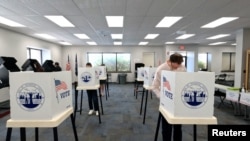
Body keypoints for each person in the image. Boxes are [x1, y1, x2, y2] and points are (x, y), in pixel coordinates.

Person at [152, 53, 186, 141]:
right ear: (170, 61)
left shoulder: (182, 68)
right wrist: (162, 97)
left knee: (178, 126)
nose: (178, 66)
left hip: (178, 101)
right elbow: (155, 87)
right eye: (177, 64)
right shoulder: (161, 69)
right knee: (166, 127)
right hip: (166, 101)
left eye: (180, 63)